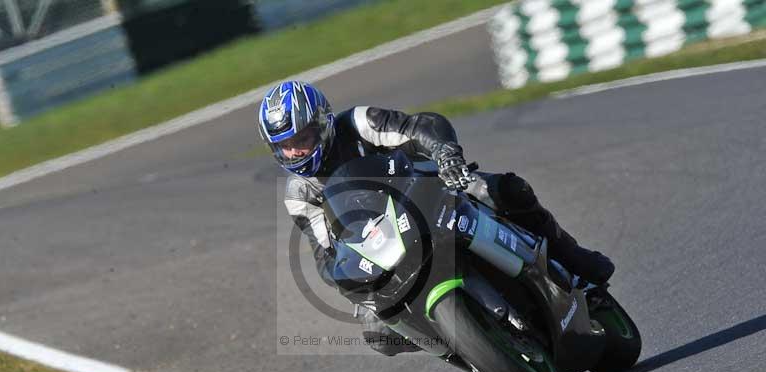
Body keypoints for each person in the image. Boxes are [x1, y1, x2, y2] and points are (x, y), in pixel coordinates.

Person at [258, 80, 614, 355]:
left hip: (432, 190)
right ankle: (465, 349)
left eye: (302, 138)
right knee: (377, 334)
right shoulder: (298, 194)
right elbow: (324, 253)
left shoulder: (357, 122)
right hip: (381, 246)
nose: (295, 151)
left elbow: (418, 126)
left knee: (506, 190)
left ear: (321, 121)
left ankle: (572, 258)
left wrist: (445, 153)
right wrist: (348, 279)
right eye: (285, 145)